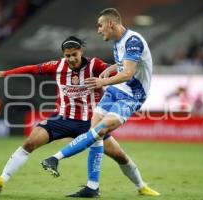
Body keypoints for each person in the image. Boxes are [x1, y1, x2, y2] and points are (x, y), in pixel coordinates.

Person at [0, 35, 158, 197]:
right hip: (61, 119)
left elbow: (121, 72)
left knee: (119, 156)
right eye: (67, 55)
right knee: (29, 143)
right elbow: (32, 69)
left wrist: (132, 81)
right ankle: (1, 179)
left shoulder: (95, 65)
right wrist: (5, 74)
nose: (71, 59)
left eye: (74, 55)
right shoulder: (56, 66)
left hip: (90, 122)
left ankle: (141, 186)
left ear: (81, 52)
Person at [41, 8, 160, 197]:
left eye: (100, 25)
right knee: (94, 131)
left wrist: (102, 81)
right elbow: (125, 65)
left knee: (102, 129)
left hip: (133, 95)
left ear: (111, 23)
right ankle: (92, 187)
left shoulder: (133, 41)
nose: (98, 30)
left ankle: (56, 157)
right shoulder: (117, 41)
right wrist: (111, 69)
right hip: (116, 90)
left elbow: (128, 73)